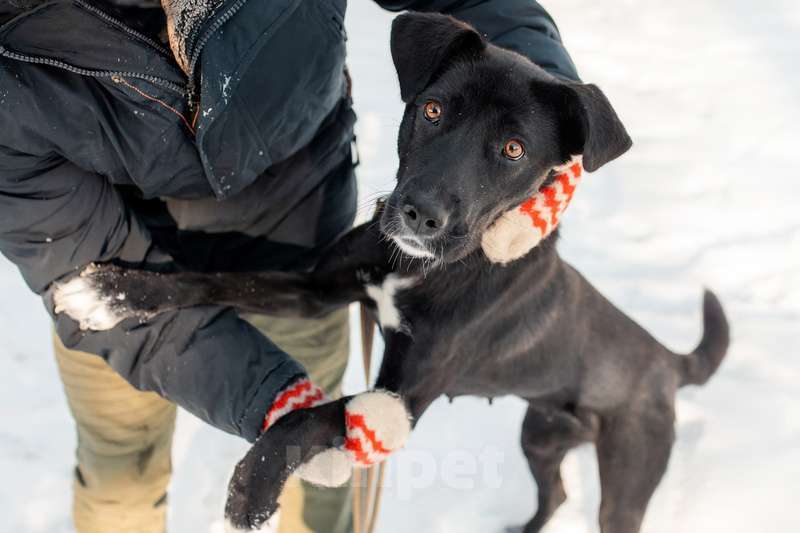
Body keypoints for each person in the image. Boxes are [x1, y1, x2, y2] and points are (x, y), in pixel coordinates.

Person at [0, 1, 578, 531]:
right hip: (114, 276)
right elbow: (66, 249)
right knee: (120, 468)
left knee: (321, 480)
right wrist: (267, 396)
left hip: (301, 241)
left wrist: (548, 113)